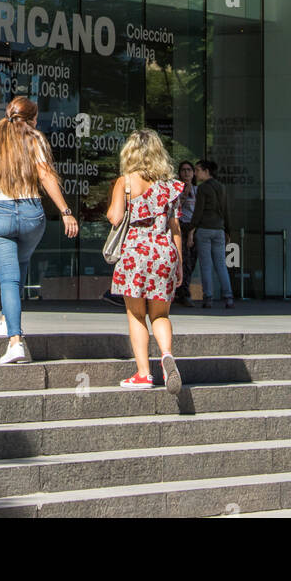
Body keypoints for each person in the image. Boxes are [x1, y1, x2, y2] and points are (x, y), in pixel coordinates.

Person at [0, 95, 78, 363]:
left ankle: (15, 341)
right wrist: (65, 211)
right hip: (32, 213)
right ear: (32, 118)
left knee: (9, 279)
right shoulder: (35, 138)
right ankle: (7, 317)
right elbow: (45, 175)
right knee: (20, 266)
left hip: (0, 213)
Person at [106, 129, 185, 394]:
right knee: (160, 314)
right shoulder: (171, 187)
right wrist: (180, 265)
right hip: (164, 253)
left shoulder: (125, 182)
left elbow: (115, 218)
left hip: (135, 254)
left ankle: (143, 374)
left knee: (137, 315)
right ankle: (166, 355)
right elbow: (176, 228)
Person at [189, 159, 234, 309]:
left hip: (205, 229)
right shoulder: (221, 187)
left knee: (206, 266)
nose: (195, 173)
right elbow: (227, 210)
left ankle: (208, 297)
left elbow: (198, 212)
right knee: (221, 264)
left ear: (206, 171)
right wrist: (228, 229)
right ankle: (228, 297)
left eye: (198, 170)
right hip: (219, 230)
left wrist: (191, 229)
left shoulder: (202, 189)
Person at [174, 159, 198, 306]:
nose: (186, 173)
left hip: (192, 226)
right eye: (183, 170)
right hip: (180, 225)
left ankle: (184, 290)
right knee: (183, 260)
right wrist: (184, 194)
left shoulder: (197, 190)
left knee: (192, 260)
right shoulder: (176, 189)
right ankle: (182, 292)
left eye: (189, 170)